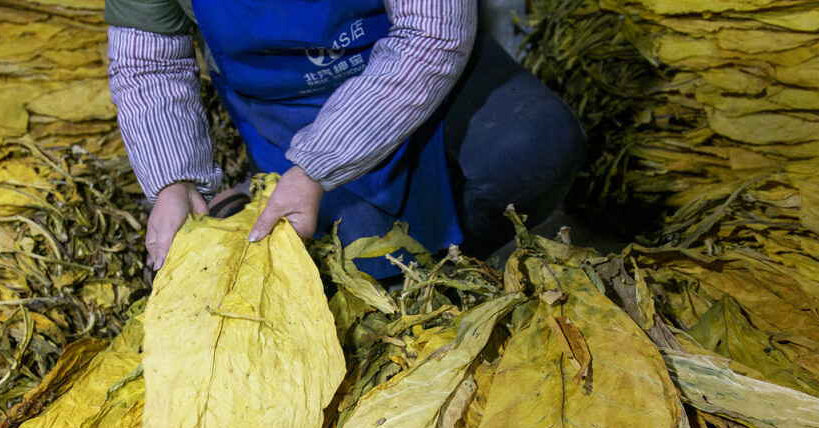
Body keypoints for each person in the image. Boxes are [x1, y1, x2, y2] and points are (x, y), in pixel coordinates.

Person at [105, 0, 585, 277]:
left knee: (531, 150)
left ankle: (458, 250)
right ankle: (251, 200)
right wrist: (175, 181)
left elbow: (433, 32)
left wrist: (319, 166)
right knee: (362, 268)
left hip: (419, 60)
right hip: (286, 98)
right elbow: (151, 63)